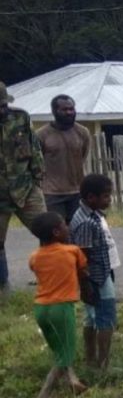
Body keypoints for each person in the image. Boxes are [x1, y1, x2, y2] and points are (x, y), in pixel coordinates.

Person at [27, 211, 89, 398]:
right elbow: (84, 270)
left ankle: (72, 380)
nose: (67, 228)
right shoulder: (72, 251)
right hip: (61, 308)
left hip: (41, 309)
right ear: (56, 232)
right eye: (64, 225)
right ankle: (42, 397)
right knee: (65, 354)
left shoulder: (35, 257)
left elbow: (36, 270)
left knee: (60, 348)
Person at [0, 80, 45, 291]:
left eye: (3, 105)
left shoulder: (20, 117)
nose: (2, 110)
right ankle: (3, 288)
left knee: (48, 230)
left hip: (25, 187)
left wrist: (37, 177)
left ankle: (50, 278)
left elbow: (34, 148)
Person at [70, 174, 117, 370]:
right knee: (106, 318)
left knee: (90, 318)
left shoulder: (89, 215)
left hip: (98, 275)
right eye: (105, 196)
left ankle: (91, 360)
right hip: (96, 278)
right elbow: (82, 257)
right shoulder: (86, 223)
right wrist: (86, 285)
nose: (109, 200)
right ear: (91, 198)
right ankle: (103, 364)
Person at [36, 95, 92, 223]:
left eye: (71, 109)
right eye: (64, 109)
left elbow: (82, 156)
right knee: (54, 232)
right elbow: (36, 162)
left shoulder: (82, 132)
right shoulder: (42, 135)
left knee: (79, 231)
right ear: (54, 111)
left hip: (77, 192)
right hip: (52, 194)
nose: (69, 112)